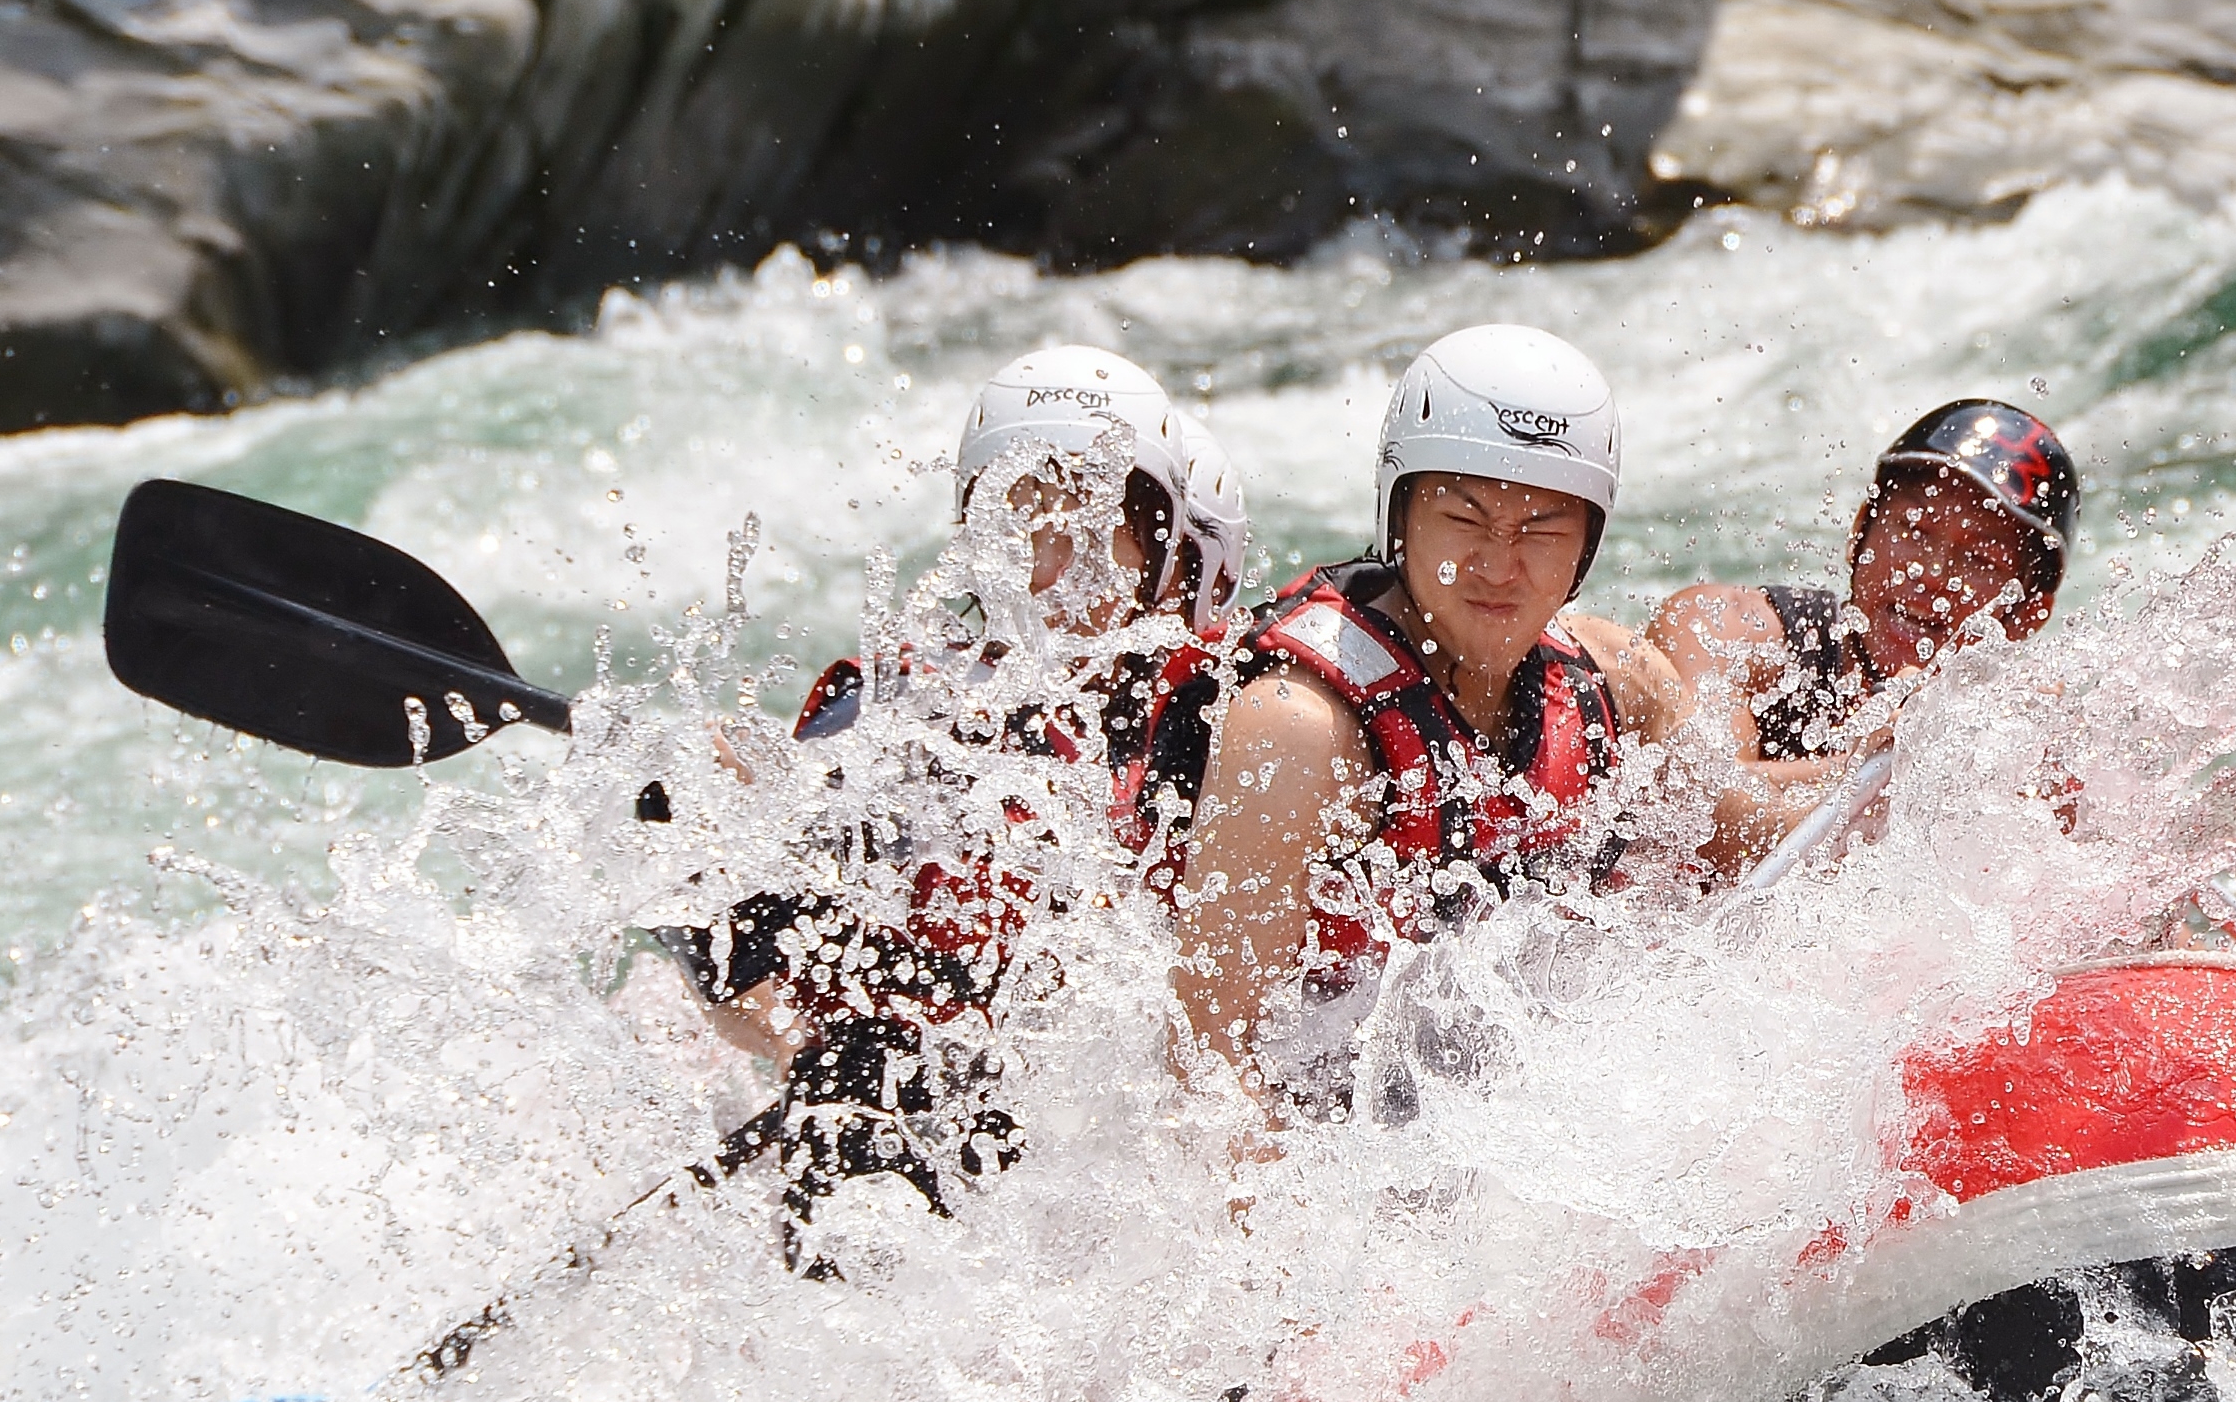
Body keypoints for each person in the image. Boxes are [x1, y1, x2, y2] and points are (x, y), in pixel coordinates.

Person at [672, 345, 1242, 1240]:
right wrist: (807, 1047)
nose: (1055, 575)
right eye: (1024, 533)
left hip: (1107, 1177)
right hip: (889, 1157)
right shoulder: (895, 715)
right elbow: (724, 935)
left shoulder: (1223, 734)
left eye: (1093, 534)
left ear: (1158, 551)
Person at [1163, 324, 1688, 1104]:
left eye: (1542, 529)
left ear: (1588, 542)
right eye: (1465, 519)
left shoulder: (1616, 681)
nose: (1499, 566)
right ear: (1399, 515)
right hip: (1328, 1135)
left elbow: (1739, 829)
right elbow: (1208, 1071)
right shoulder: (1300, 728)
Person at [1644, 400, 2078, 873]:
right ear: (1859, 533)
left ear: (2028, 616)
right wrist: (1883, 763)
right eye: (1915, 530)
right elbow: (1684, 816)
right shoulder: (1726, 631)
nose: (1932, 575)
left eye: (1980, 561)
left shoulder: (2029, 740)